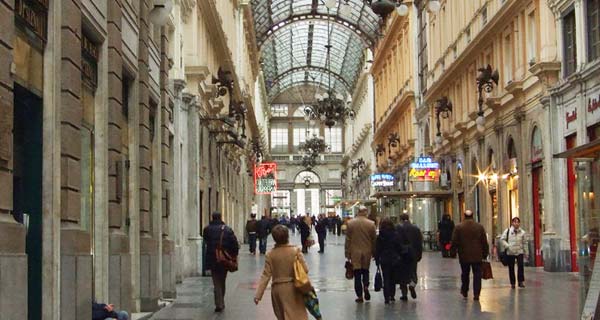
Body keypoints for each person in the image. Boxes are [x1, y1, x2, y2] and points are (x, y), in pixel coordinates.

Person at [254, 225, 310, 320]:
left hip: (277, 290)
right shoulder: (295, 251)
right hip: (294, 288)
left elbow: (266, 275)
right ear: (287, 236)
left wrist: (258, 295)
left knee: (282, 316)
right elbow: (305, 269)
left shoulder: (270, 254)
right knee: (296, 316)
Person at [202, 212, 240, 312]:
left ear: (212, 218)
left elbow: (205, 241)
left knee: (216, 282)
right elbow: (235, 244)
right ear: (220, 217)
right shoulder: (227, 230)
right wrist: (233, 256)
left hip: (212, 258)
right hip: (224, 259)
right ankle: (220, 301)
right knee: (222, 280)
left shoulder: (207, 229)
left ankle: (219, 302)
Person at [451, 209, 489, 301]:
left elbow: (454, 241)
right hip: (477, 255)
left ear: (464, 216)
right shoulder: (479, 227)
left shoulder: (459, 227)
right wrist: (485, 254)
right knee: (477, 275)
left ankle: (465, 290)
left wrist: (453, 252)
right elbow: (484, 242)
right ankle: (476, 293)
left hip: (464, 255)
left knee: (465, 273)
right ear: (473, 216)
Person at [345, 205, 377, 303]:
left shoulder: (350, 223)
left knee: (357, 274)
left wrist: (347, 253)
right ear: (365, 212)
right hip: (367, 251)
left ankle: (359, 296)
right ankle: (366, 286)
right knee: (365, 271)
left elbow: (348, 240)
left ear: (358, 212)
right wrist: (374, 252)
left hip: (355, 252)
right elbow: (374, 239)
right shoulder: (371, 224)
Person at [396, 213, 423, 301]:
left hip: (402, 254)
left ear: (400, 219)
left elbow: (397, 242)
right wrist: (419, 254)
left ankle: (404, 294)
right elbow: (419, 242)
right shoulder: (416, 228)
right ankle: (412, 284)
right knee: (413, 272)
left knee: (402, 274)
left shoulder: (398, 228)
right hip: (413, 254)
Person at [374, 218, 402, 304]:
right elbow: (399, 247)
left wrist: (377, 259)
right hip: (394, 258)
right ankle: (392, 295)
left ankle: (386, 297)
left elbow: (378, 249)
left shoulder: (380, 236)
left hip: (384, 259)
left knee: (386, 277)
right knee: (393, 278)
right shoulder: (396, 235)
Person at [500, 216, 528, 288]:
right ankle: (512, 282)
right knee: (511, 268)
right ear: (512, 223)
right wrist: (507, 246)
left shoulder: (522, 232)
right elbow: (502, 239)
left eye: (518, 222)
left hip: (519, 251)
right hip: (511, 252)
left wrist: (526, 252)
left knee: (521, 267)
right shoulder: (508, 231)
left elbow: (525, 242)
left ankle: (520, 281)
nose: (516, 224)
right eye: (515, 222)